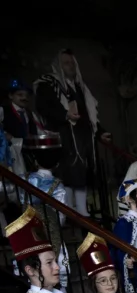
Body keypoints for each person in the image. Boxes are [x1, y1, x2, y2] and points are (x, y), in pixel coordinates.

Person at [34, 49, 112, 217]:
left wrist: (100, 133)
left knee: (82, 171)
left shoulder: (80, 87)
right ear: (59, 66)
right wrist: (64, 115)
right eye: (66, 63)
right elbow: (44, 107)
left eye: (72, 63)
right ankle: (68, 208)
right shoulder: (49, 83)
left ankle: (82, 210)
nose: (70, 66)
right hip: (64, 135)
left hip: (82, 136)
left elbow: (89, 115)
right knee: (68, 172)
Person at [22, 131, 73, 293]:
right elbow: (62, 216)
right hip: (52, 235)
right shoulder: (58, 187)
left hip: (29, 235)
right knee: (57, 267)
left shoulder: (24, 180)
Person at [2, 79, 42, 179]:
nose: (24, 98)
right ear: (11, 96)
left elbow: (40, 131)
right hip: (11, 156)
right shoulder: (3, 110)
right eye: (20, 95)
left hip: (29, 156)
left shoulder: (30, 114)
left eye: (27, 96)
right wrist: (5, 135)